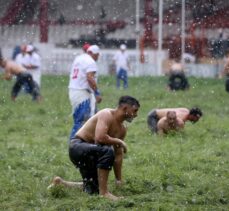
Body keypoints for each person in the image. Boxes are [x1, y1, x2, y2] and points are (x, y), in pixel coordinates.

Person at [48, 95, 140, 201]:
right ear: (125, 108)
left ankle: (61, 183)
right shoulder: (106, 114)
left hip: (92, 153)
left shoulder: (122, 129)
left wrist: (118, 179)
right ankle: (104, 193)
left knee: (92, 188)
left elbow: (118, 155)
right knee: (107, 151)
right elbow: (100, 138)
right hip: (77, 147)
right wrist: (118, 141)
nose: (136, 115)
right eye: (135, 111)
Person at [68, 44, 102, 140]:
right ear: (93, 53)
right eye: (97, 55)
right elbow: (90, 78)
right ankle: (74, 143)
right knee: (83, 120)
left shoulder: (78, 58)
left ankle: (87, 141)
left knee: (86, 118)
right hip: (83, 92)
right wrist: (97, 93)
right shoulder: (90, 62)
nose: (97, 57)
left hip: (73, 90)